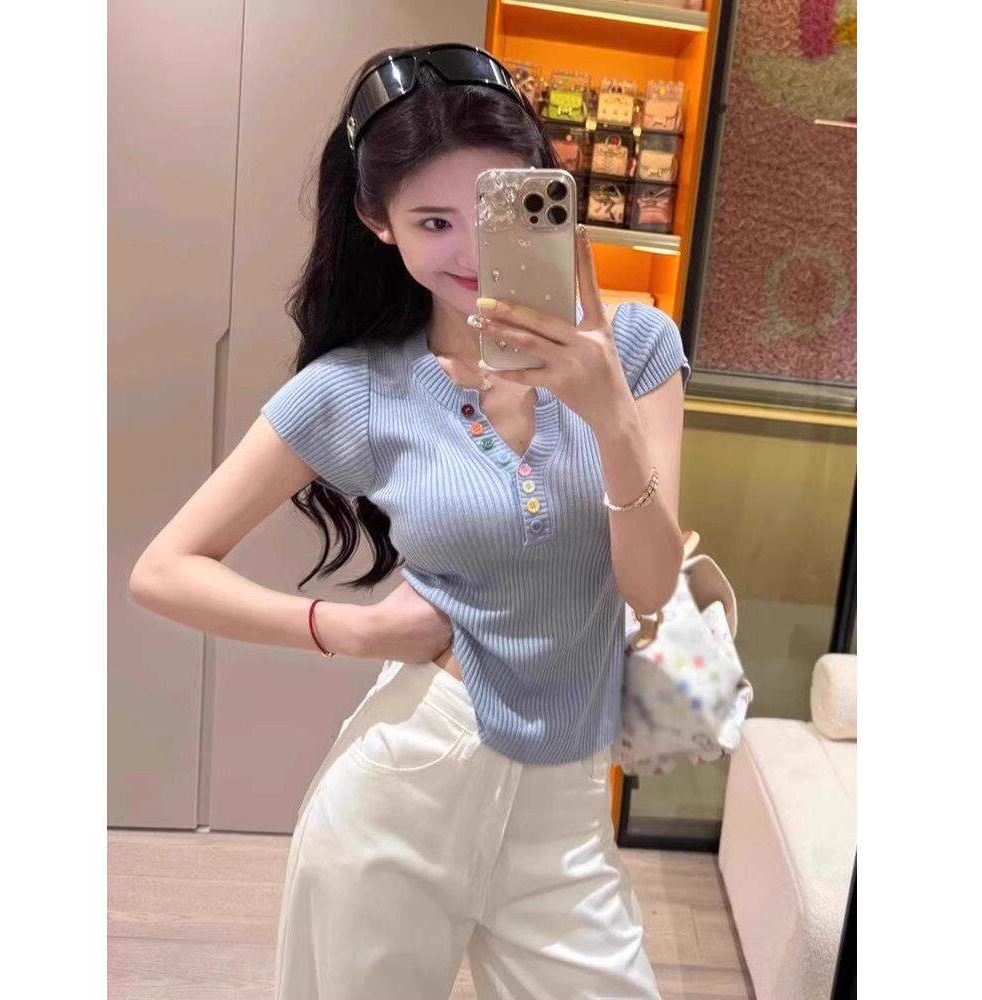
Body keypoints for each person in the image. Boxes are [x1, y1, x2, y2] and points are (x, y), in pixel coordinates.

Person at [129, 42, 691, 1000]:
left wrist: (608, 416)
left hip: (566, 804)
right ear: (376, 221)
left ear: (545, 194)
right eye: (434, 221)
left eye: (495, 210)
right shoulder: (354, 390)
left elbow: (650, 586)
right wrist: (349, 630)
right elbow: (165, 569)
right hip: (415, 775)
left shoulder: (635, 349)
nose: (470, 252)